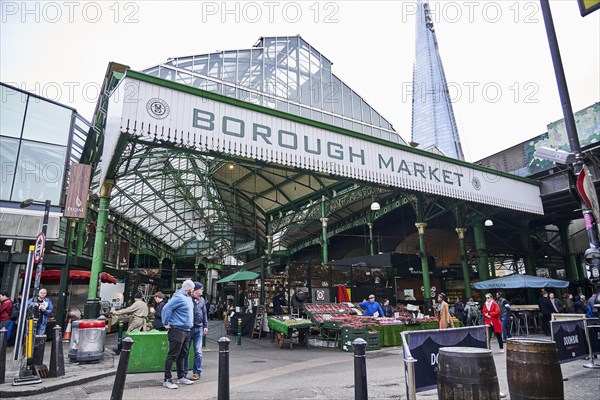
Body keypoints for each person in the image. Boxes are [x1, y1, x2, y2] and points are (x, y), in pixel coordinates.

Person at [162, 279, 195, 389]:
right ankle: (167, 380)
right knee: (173, 355)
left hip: (186, 330)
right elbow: (167, 308)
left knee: (183, 354)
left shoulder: (188, 298)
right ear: (188, 289)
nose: (193, 291)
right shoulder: (179, 297)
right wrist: (166, 323)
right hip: (177, 329)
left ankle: (181, 377)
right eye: (192, 289)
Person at [186, 282, 208, 381]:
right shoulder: (187, 299)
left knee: (198, 351)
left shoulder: (202, 300)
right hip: (189, 328)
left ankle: (197, 373)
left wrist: (205, 325)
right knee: (185, 351)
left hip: (198, 328)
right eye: (201, 289)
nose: (202, 290)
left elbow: (204, 312)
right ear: (196, 290)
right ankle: (183, 372)